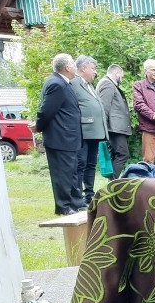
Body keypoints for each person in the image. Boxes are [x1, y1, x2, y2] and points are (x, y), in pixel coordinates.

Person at [34, 53, 83, 215]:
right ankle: (64, 207)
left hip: (69, 138)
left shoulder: (64, 82)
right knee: (63, 174)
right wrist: (38, 126)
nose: (76, 67)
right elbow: (46, 111)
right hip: (60, 138)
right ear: (68, 67)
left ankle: (76, 203)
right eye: (74, 65)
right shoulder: (57, 84)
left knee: (73, 172)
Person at [70, 56, 108, 204]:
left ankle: (89, 195)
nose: (95, 72)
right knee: (81, 164)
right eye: (93, 68)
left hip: (94, 132)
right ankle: (78, 197)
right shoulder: (74, 83)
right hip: (83, 132)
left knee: (91, 164)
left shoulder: (89, 85)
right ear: (83, 68)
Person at [96, 64, 132, 179]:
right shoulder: (107, 83)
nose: (122, 79)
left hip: (114, 127)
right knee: (123, 154)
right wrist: (104, 129)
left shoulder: (108, 83)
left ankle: (112, 183)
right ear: (117, 73)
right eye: (121, 76)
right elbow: (104, 107)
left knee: (116, 155)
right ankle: (114, 183)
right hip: (113, 128)